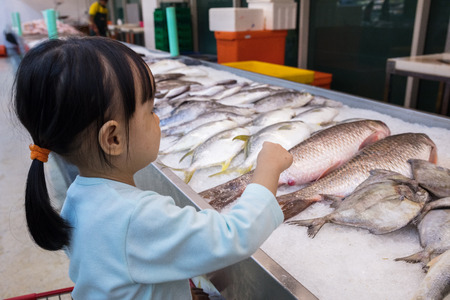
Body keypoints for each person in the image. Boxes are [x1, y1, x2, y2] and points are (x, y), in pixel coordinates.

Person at [13, 36, 293, 299]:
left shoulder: (78, 196)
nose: (158, 119)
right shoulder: (138, 217)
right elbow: (234, 236)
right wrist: (267, 170)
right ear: (114, 138)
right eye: (149, 111)